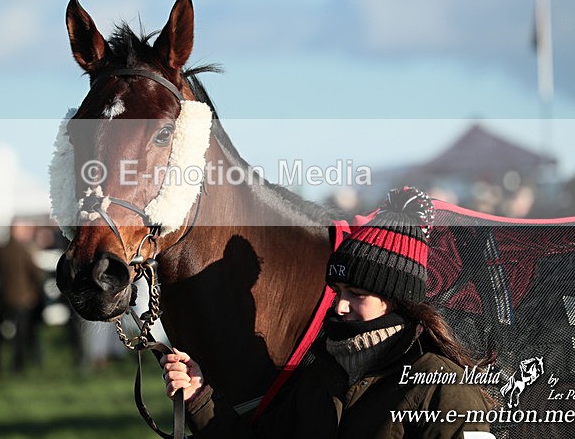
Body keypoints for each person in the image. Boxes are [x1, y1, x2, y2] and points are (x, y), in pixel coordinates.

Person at [162, 187, 491, 438]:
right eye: (339, 291)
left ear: (396, 301)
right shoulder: (321, 376)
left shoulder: (444, 387)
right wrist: (198, 396)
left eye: (357, 294)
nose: (341, 305)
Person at [0, 220, 45, 375]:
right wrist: (36, 292)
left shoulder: (0, 250)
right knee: (21, 335)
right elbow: (36, 274)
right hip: (22, 298)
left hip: (3, 297)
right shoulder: (24, 250)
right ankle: (17, 367)